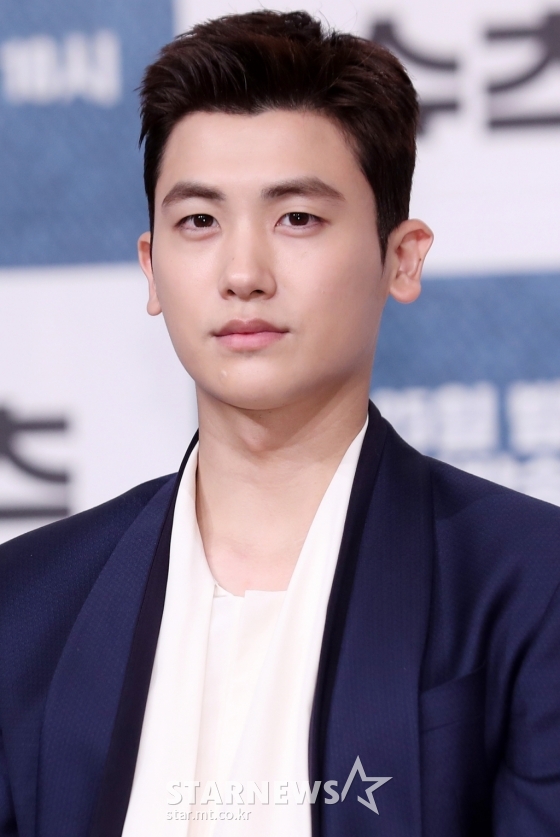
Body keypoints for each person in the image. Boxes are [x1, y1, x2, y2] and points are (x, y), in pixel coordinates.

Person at [1, 10, 559, 837]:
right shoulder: (25, 604)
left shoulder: (531, 584)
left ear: (401, 257)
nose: (243, 272)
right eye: (200, 221)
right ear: (152, 267)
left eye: (297, 217)